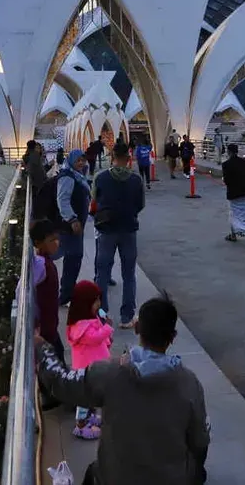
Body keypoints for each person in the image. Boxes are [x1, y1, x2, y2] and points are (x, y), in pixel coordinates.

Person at [36, 295, 210, 485]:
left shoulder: (108, 375)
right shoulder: (190, 385)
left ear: (137, 328)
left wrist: (41, 347)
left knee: (93, 472)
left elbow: (61, 383)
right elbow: (200, 443)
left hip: (115, 477)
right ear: (173, 337)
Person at [92, 142, 145, 329]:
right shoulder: (136, 179)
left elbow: (94, 203)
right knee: (129, 274)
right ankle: (127, 316)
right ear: (128, 158)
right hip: (129, 229)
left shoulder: (100, 178)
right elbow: (140, 205)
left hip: (106, 230)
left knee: (102, 274)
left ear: (112, 156)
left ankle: (101, 314)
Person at [65, 280, 114, 440]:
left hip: (94, 367)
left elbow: (98, 335)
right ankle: (81, 425)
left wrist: (106, 334)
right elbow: (94, 338)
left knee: (92, 396)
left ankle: (89, 418)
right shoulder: (81, 327)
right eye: (96, 301)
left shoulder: (89, 320)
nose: (99, 304)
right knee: (85, 399)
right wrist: (107, 328)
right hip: (86, 370)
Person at [56, 149, 92, 305]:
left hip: (76, 225)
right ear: (71, 161)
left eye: (82, 160)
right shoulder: (68, 177)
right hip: (71, 226)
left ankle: (67, 291)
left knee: (73, 258)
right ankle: (66, 295)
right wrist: (72, 219)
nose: (81, 163)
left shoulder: (76, 175)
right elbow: (62, 200)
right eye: (78, 161)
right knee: (73, 258)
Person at [31, 220, 64, 360]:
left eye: (57, 239)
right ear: (38, 243)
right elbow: (22, 290)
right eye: (51, 240)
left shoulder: (46, 262)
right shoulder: (41, 264)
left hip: (50, 325)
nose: (56, 243)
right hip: (45, 329)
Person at [219, 143, 245, 245]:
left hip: (233, 193)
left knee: (233, 214)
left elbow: (226, 180)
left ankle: (234, 234)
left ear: (228, 152)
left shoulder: (226, 164)